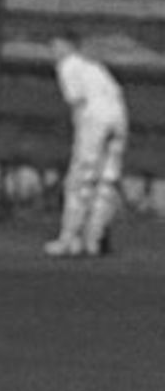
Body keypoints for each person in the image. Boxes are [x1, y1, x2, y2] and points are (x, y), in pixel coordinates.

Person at [44, 30, 129, 257]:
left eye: (56, 46)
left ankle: (70, 239)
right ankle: (94, 239)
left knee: (79, 179)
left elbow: (78, 101)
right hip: (119, 117)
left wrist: (82, 136)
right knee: (107, 179)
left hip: (94, 118)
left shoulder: (69, 65)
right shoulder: (95, 66)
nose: (53, 52)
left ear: (67, 45)